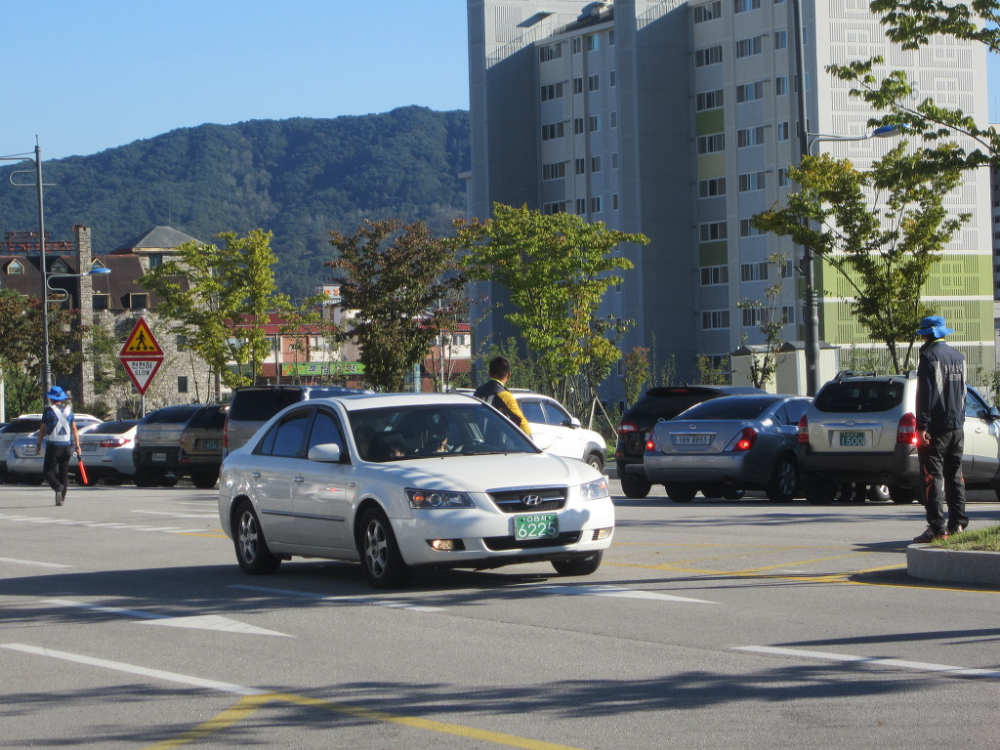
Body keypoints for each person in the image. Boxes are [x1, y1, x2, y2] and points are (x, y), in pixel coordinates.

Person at [913, 315, 968, 542]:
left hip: (935, 428)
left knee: (932, 477)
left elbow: (925, 395)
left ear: (925, 335)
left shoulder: (928, 357)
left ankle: (938, 528)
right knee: (955, 476)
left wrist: (921, 426)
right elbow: (963, 392)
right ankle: (958, 525)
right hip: (957, 426)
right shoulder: (959, 357)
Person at [36, 386, 82, 507]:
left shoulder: (49, 411)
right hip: (67, 446)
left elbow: (42, 429)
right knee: (63, 472)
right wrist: (77, 446)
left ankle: (58, 487)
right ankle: (61, 497)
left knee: (48, 471)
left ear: (51, 398)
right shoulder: (69, 411)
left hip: (53, 446)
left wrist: (38, 443)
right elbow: (74, 429)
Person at [473, 356, 532, 436]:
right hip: (498, 446)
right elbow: (521, 421)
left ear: (489, 373)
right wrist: (531, 442)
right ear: (509, 374)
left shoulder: (477, 393)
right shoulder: (504, 395)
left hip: (475, 444)